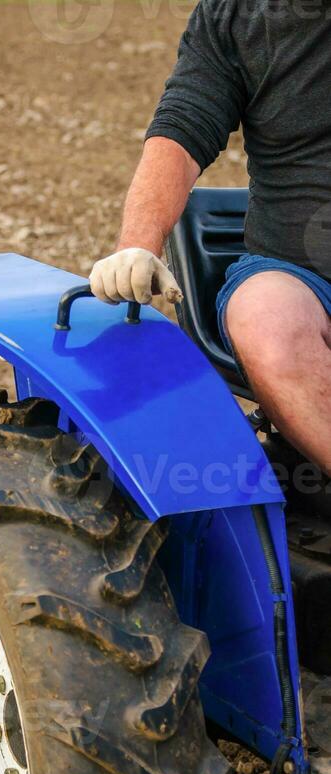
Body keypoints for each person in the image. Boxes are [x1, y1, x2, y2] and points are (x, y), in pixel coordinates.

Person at [89, 0, 331, 475]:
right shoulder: (237, 16)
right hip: (300, 273)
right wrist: (137, 244)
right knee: (265, 317)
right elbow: (181, 132)